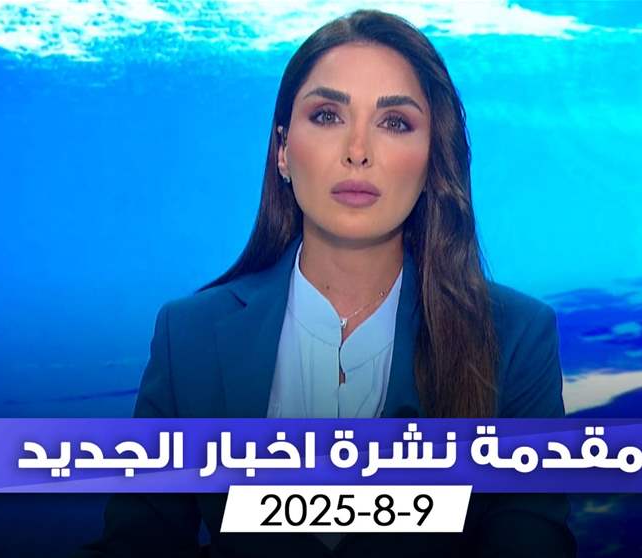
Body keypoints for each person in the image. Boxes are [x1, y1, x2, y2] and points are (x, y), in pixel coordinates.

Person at [75, 9, 576, 558]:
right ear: (283, 151)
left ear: (433, 158)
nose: (358, 150)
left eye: (394, 123)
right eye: (328, 115)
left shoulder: (515, 338)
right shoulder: (188, 336)